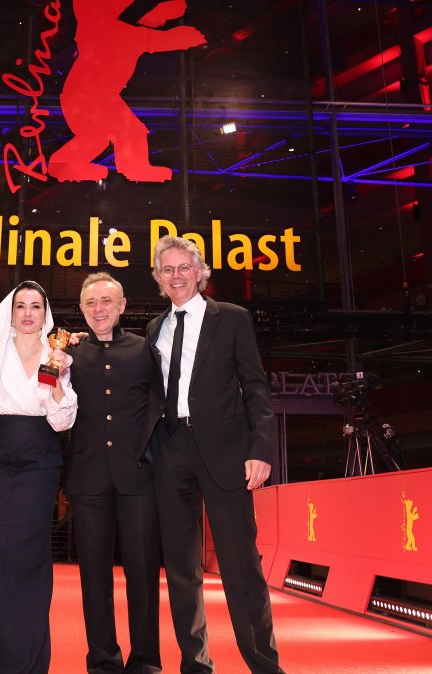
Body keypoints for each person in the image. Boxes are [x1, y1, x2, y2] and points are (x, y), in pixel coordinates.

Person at [145, 235, 284, 674]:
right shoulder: (155, 329)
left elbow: (256, 389)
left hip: (226, 454)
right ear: (158, 279)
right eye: (167, 270)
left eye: (184, 267)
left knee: (241, 566)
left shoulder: (233, 319)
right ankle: (195, 664)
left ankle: (264, 665)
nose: (177, 276)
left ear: (201, 272)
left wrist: (261, 448)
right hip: (170, 453)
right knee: (182, 572)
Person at [0, 281, 77, 674]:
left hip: (40, 461)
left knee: (30, 558)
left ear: (45, 314)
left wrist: (57, 381)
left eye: (35, 307)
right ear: (10, 312)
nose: (27, 313)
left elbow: (63, 420)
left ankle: (27, 660)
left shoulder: (56, 354)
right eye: (20, 306)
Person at [66, 272, 161, 674]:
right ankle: (103, 662)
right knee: (93, 580)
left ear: (122, 306)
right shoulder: (66, 355)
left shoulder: (145, 350)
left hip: (138, 478)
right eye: (91, 303)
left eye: (107, 301)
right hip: (87, 481)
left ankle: (145, 663)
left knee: (143, 578)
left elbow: (162, 405)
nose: (99, 309)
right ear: (82, 309)